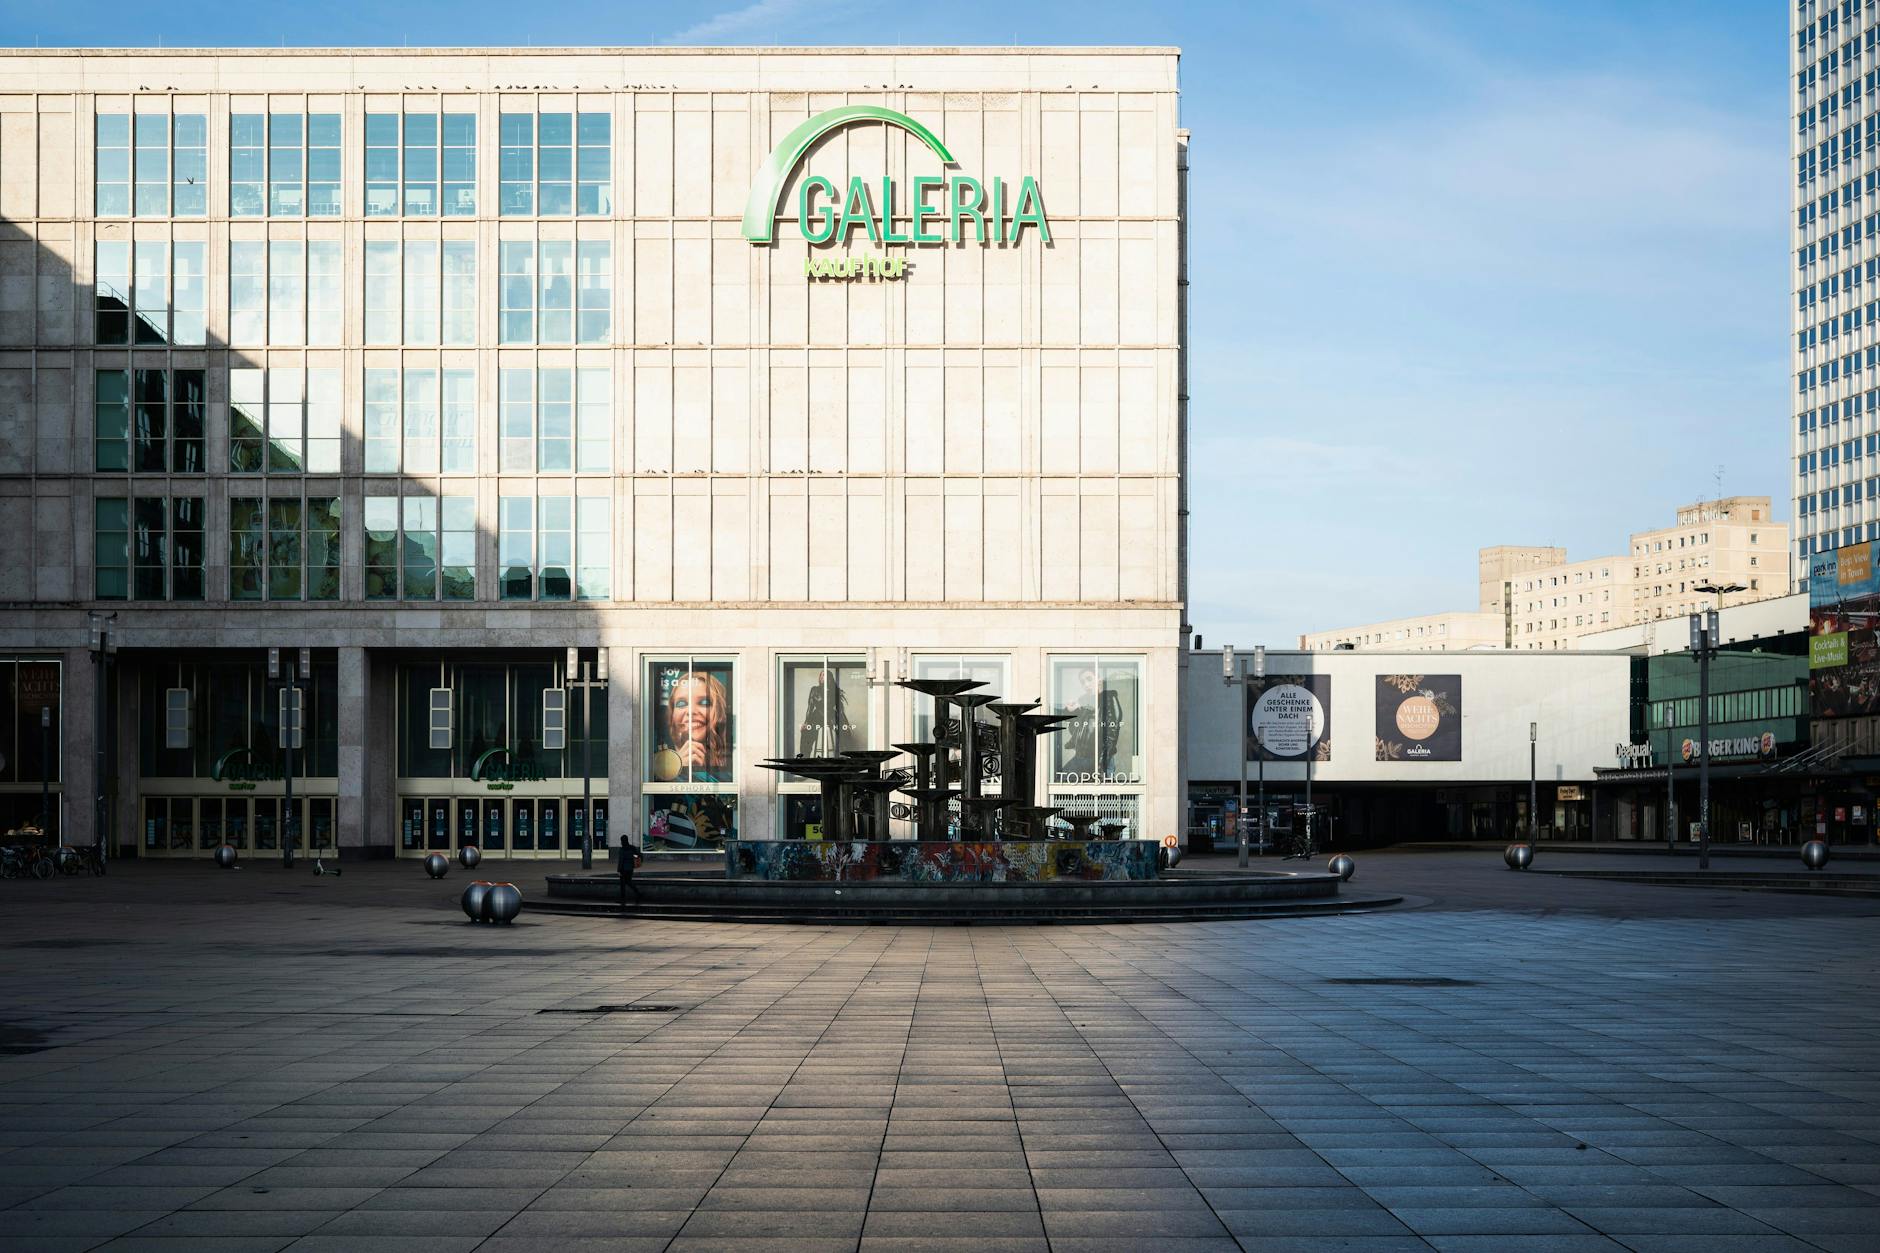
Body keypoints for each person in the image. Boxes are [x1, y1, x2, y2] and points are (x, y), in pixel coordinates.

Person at [654, 668, 732, 782]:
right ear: (671, 716)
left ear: (720, 711)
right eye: (681, 703)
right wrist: (678, 766)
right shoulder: (659, 760)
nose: (691, 711)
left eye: (704, 702)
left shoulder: (733, 762)